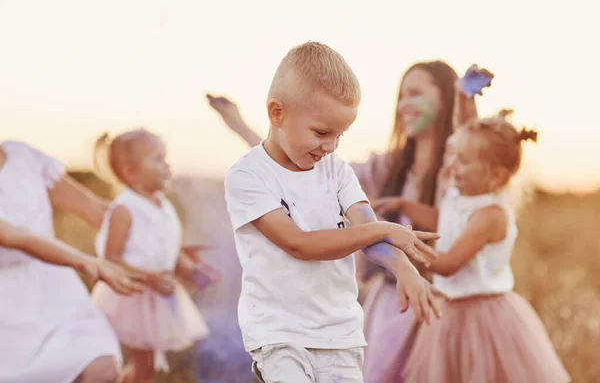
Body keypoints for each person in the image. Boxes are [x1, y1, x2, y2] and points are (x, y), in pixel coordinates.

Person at [209, 62, 486, 382]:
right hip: (393, 306)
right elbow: (295, 164)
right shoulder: (386, 166)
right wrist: (239, 125)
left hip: (441, 305)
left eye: (416, 94)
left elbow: (475, 147)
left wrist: (466, 103)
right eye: (402, 95)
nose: (404, 104)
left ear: (444, 100)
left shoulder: (460, 168)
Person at [400, 116, 570, 382]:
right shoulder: (459, 197)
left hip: (484, 319)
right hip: (450, 313)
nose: (452, 166)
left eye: (464, 161)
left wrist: (401, 245)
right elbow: (442, 221)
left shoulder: (491, 215)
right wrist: (403, 206)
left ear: (496, 175)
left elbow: (448, 263)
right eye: (455, 156)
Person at [0, 140, 143, 383]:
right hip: (8, 309)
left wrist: (168, 250)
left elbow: (96, 209)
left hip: (57, 293)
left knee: (103, 369)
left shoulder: (22, 154)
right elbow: (16, 236)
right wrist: (84, 261)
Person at [91, 129, 212, 383]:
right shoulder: (124, 210)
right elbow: (110, 259)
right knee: (143, 364)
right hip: (131, 295)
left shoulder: (162, 204)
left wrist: (191, 270)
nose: (167, 164)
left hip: (156, 295)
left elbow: (169, 248)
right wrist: (150, 279)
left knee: (147, 367)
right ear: (131, 171)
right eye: (158, 158)